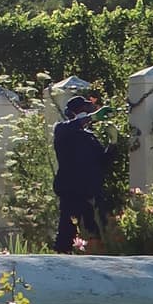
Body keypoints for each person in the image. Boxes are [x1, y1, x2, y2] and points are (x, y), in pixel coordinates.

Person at [52, 96, 108, 251]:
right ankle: (61, 257)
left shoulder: (89, 136)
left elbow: (103, 160)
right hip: (71, 190)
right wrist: (91, 117)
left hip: (91, 190)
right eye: (82, 110)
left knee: (95, 229)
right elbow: (70, 127)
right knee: (67, 229)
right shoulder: (62, 130)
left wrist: (114, 144)